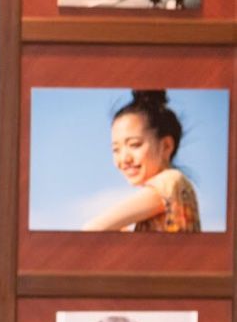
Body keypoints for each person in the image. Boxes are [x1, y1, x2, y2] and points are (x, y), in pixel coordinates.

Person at [83, 90, 200, 232]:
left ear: (166, 146)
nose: (124, 159)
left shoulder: (171, 180)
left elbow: (93, 228)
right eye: (116, 149)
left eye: (134, 145)